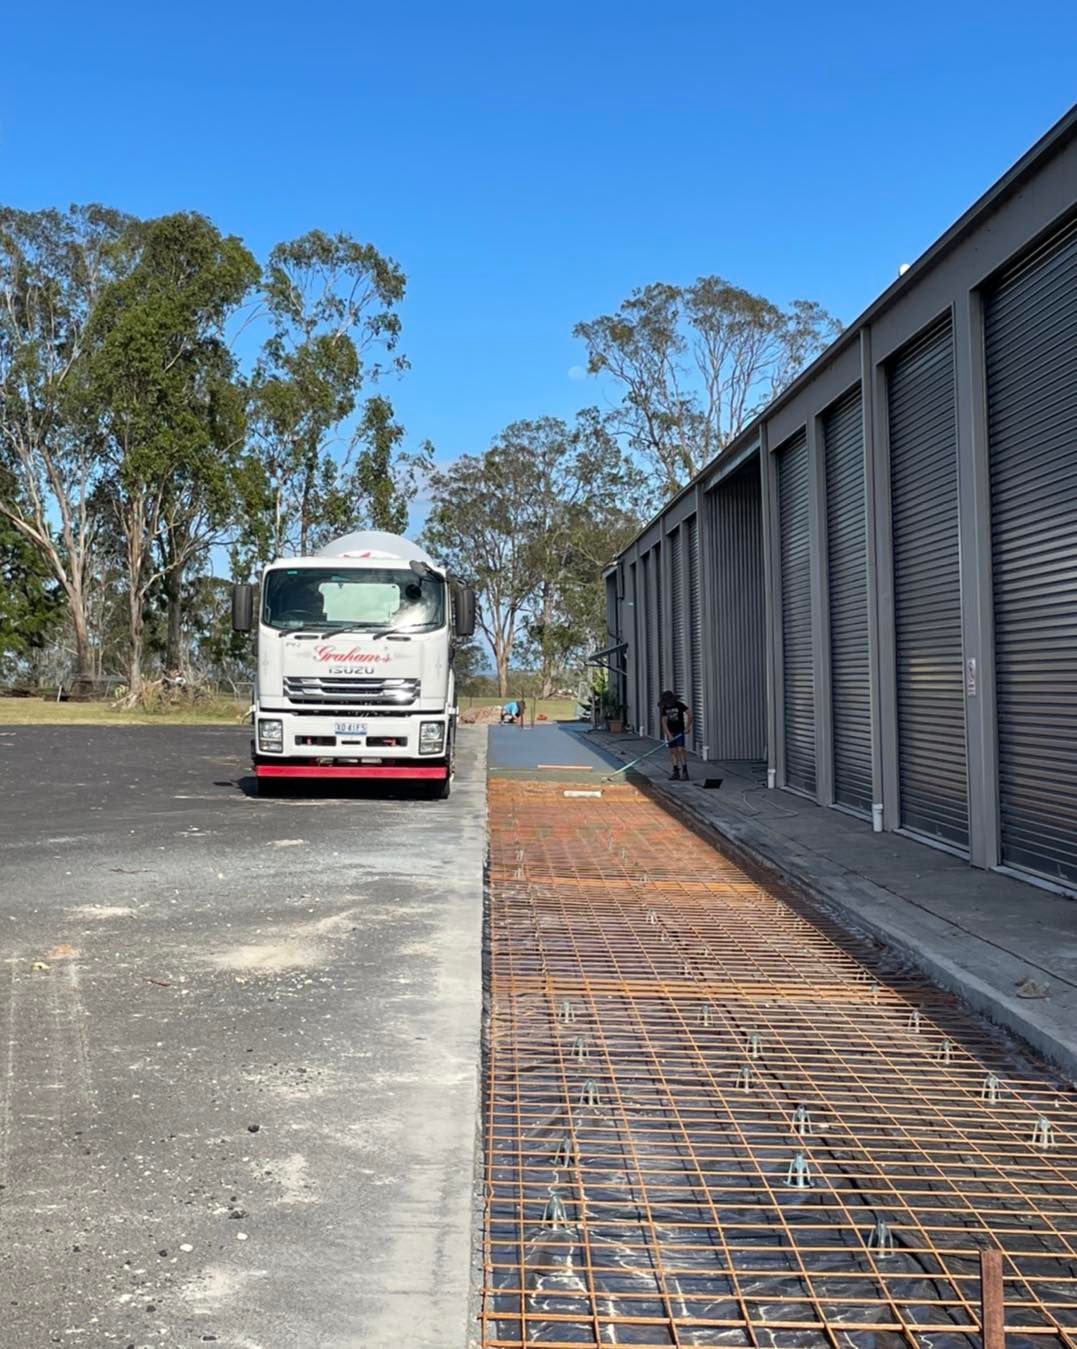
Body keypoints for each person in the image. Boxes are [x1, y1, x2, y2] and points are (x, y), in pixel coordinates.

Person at [659, 689, 692, 780]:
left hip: (679, 731)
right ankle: (675, 771)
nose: (667, 704)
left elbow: (690, 715)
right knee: (673, 751)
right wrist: (669, 735)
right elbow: (664, 723)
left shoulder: (680, 705)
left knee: (680, 749)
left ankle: (685, 771)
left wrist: (687, 727)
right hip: (670, 732)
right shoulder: (665, 708)